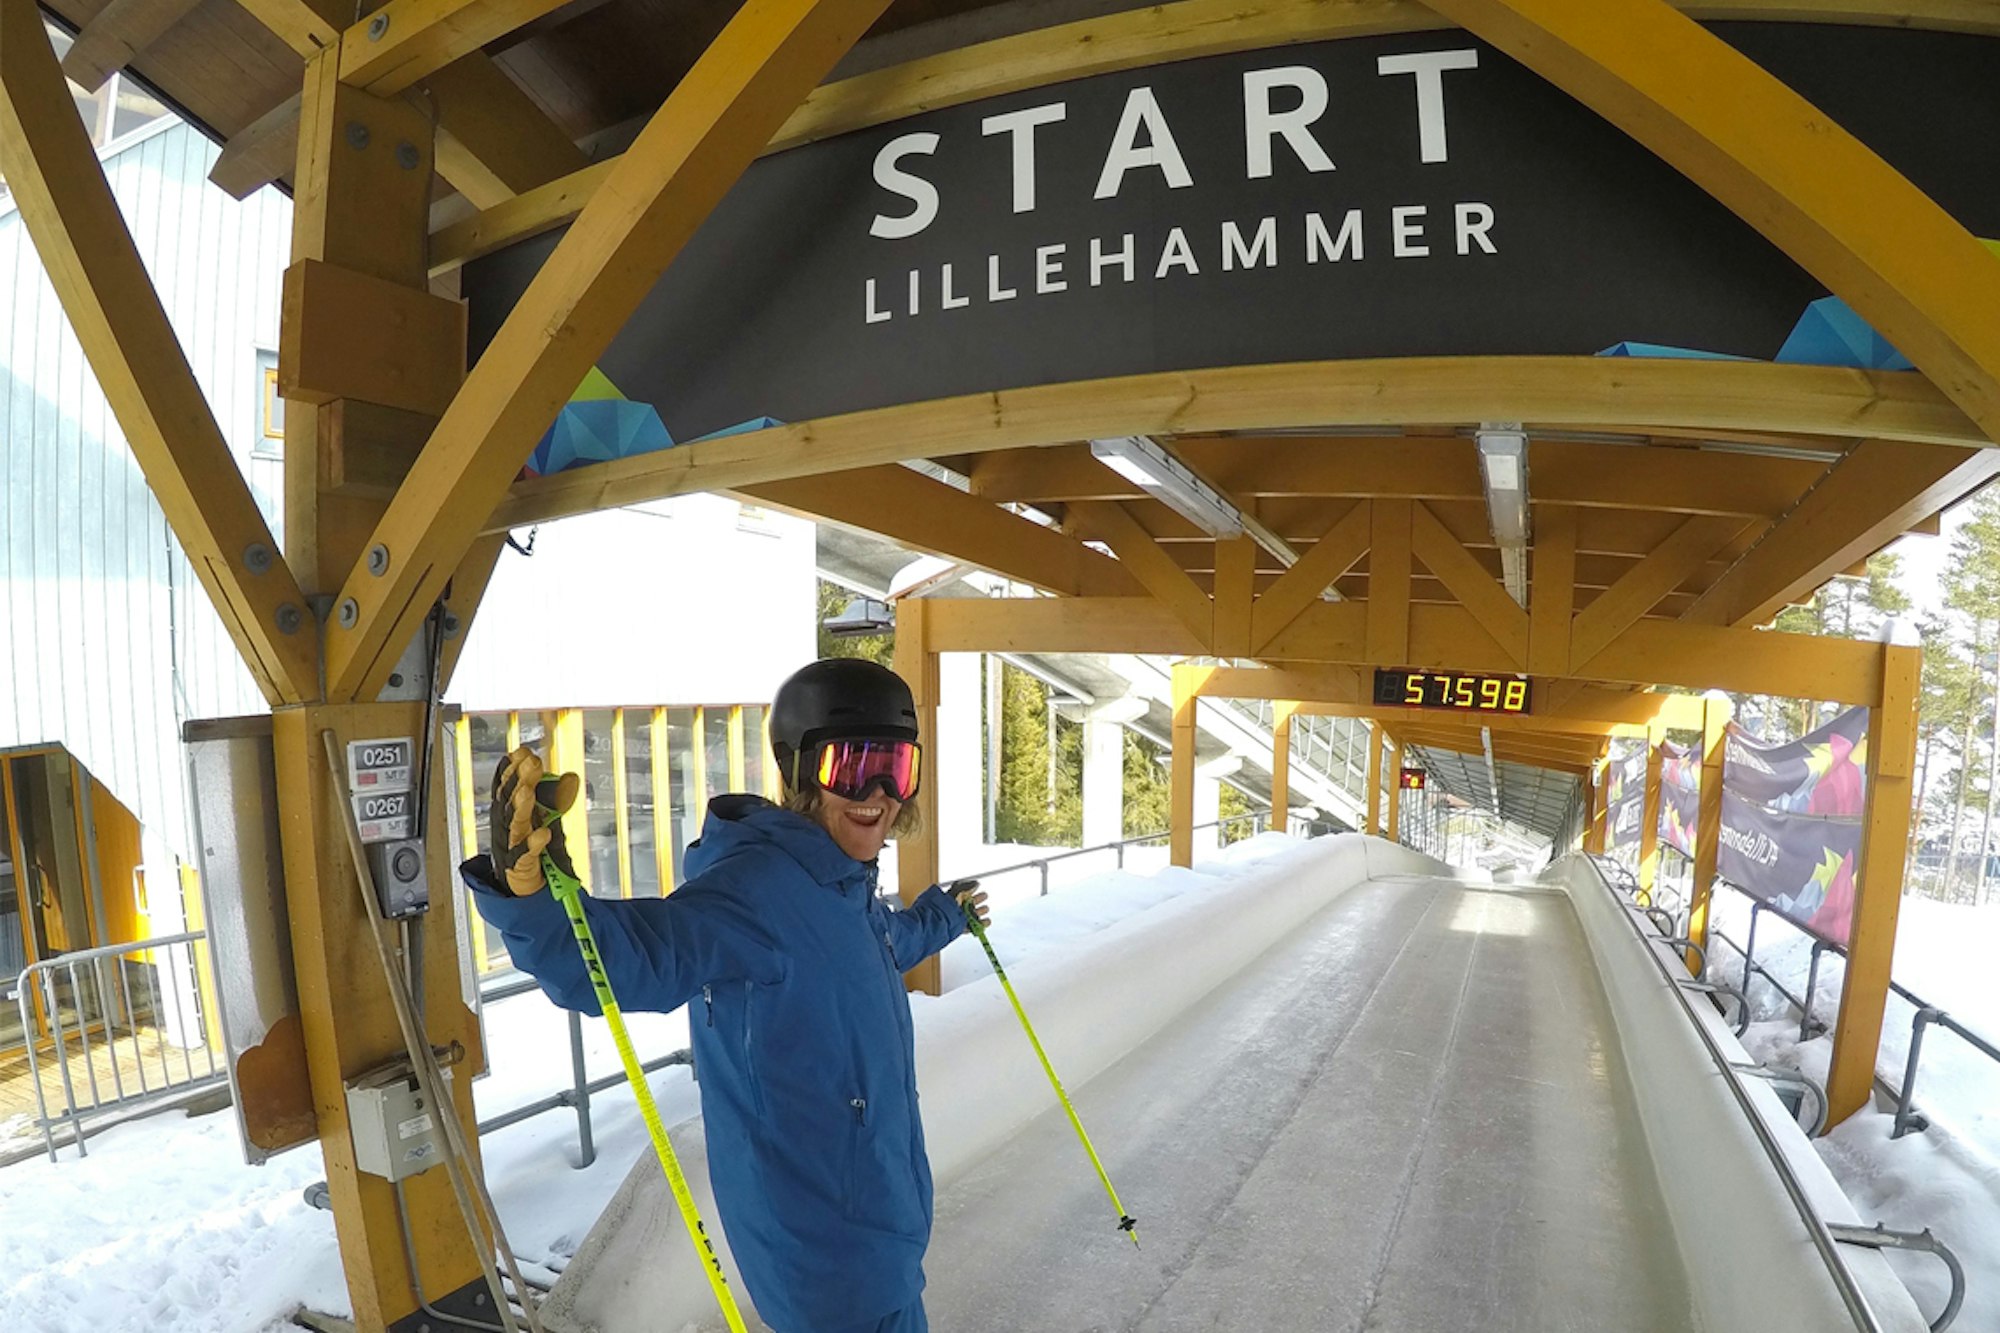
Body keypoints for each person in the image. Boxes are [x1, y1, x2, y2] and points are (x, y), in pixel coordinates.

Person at [463, 658, 987, 1333]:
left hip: (881, 1236)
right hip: (827, 1264)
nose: (879, 793)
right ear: (800, 772)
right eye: (853, 767)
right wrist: (537, 904)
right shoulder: (755, 891)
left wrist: (944, 915)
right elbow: (632, 959)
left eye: (896, 768)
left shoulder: (844, 887)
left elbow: (881, 946)